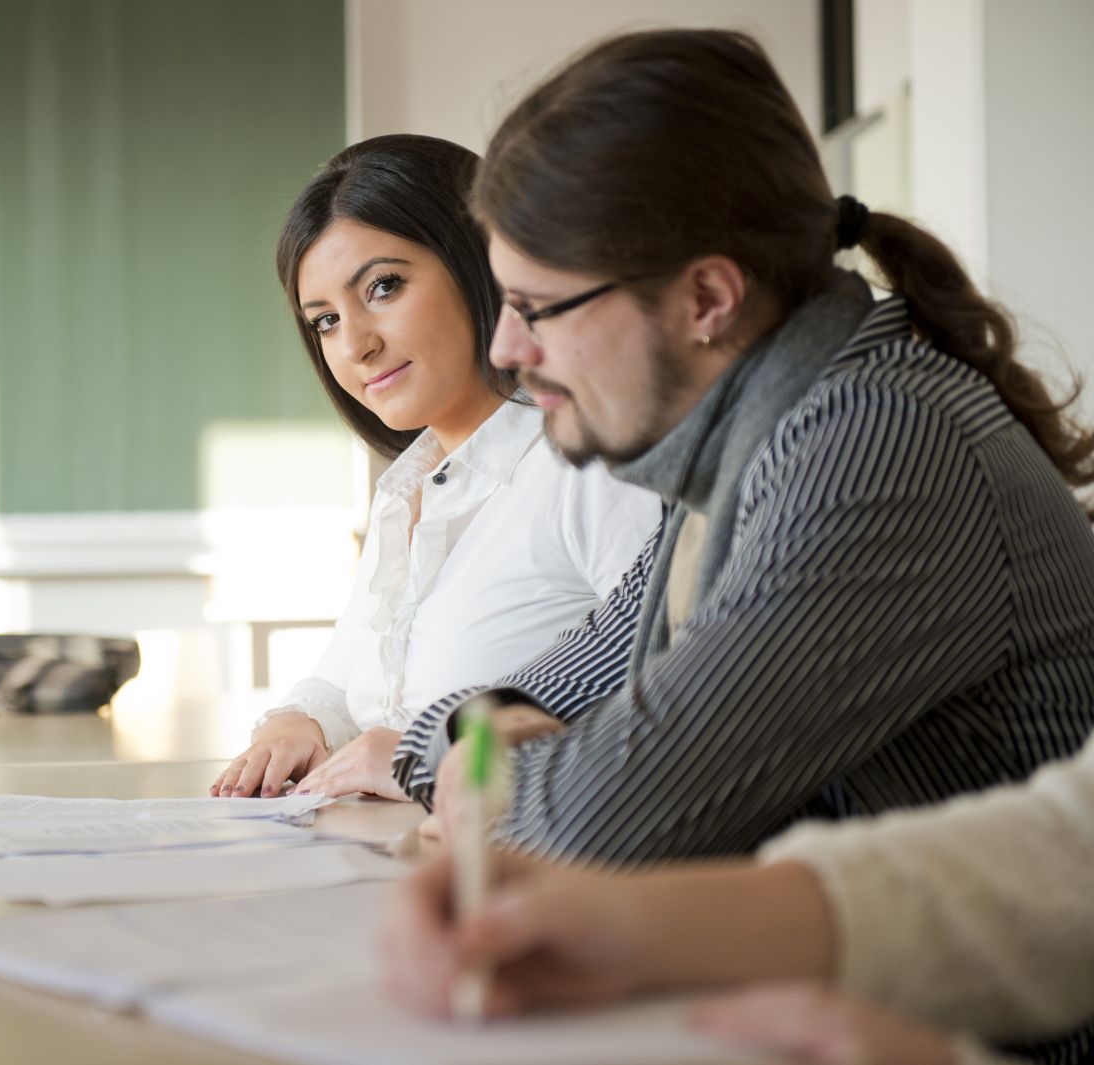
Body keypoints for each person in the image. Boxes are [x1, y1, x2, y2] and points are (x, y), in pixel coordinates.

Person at [389, 29, 1094, 864]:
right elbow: (454, 726)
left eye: (537, 307)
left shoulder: (874, 448)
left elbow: (590, 830)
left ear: (707, 298)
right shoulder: (724, 464)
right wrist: (490, 742)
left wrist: (501, 778)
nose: (505, 348)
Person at [210, 135, 659, 801]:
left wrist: (430, 753)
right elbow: (343, 679)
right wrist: (293, 720)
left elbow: (673, 696)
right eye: (325, 321)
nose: (356, 344)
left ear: (479, 262)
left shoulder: (591, 465)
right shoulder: (410, 488)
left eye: (383, 287)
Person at [381, 729, 1094, 1064]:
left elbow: (595, 820)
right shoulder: (687, 494)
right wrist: (632, 924)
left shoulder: (877, 441)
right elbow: (1071, 841)